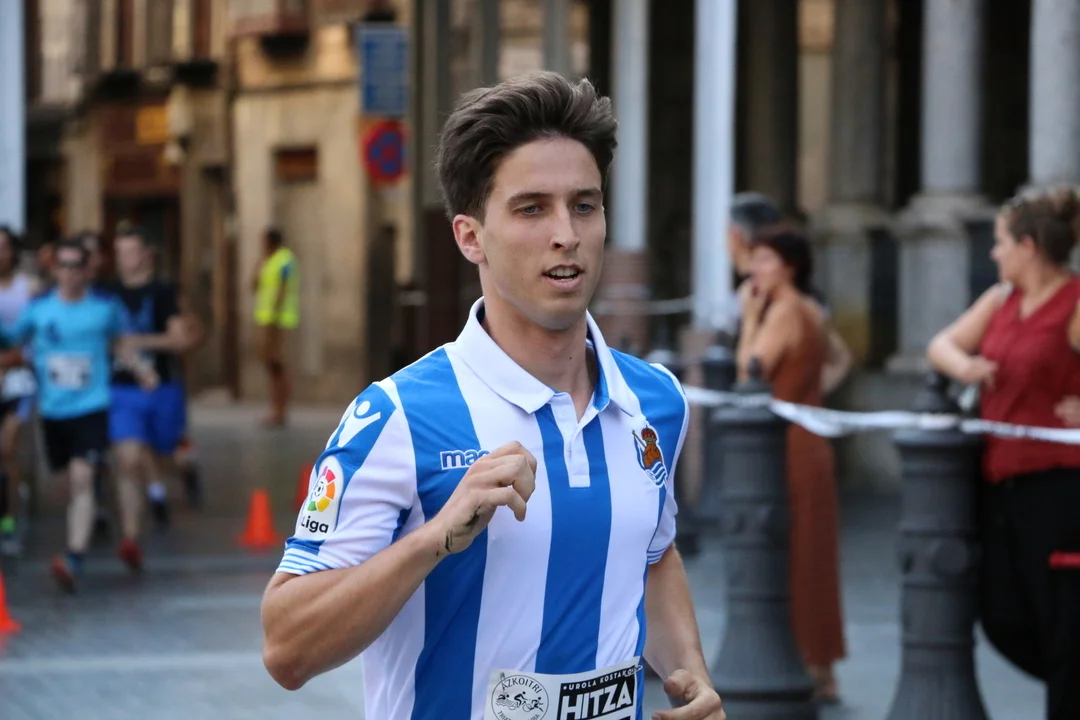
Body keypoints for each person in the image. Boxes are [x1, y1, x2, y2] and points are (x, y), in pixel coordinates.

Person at [261, 72, 725, 720]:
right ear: (470, 236)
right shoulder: (397, 416)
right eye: (531, 208)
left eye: (584, 205)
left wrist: (690, 673)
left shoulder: (655, 400)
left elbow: (651, 555)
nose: (566, 233)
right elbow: (286, 648)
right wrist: (433, 538)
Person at [927, 185, 1080, 720]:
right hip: (998, 482)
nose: (994, 253)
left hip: (1060, 488)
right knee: (1002, 615)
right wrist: (966, 367)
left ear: (1028, 246)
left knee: (1064, 622)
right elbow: (941, 345)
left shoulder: (1074, 302)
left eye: (1000, 242)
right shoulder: (1000, 300)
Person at [0, 238, 157, 592]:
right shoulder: (39, 310)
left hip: (92, 406)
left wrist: (141, 369)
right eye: (64, 266)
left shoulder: (104, 309)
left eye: (76, 266)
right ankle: (103, 533)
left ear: (87, 271)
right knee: (70, 483)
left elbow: (120, 343)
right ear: (54, 269)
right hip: (54, 411)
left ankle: (74, 557)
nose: (70, 273)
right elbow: (12, 339)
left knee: (82, 477)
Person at [735, 225, 846, 702]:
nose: (754, 270)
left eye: (765, 260)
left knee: (797, 554)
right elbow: (841, 358)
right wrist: (809, 396)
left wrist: (748, 320)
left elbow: (749, 372)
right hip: (810, 437)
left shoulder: (782, 311)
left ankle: (809, 665)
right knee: (813, 552)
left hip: (787, 447)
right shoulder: (809, 309)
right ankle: (820, 667)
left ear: (790, 267)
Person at [104, 225, 200, 541]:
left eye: (131, 252)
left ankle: (181, 473)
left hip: (163, 386)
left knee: (165, 451)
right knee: (129, 456)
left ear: (146, 254)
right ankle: (131, 536)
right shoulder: (107, 293)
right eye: (119, 253)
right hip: (122, 388)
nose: (124, 260)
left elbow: (179, 339)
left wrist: (138, 341)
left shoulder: (162, 291)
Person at [0, 227, 40, 556]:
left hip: (19, 380)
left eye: (3, 246)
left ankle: (10, 519)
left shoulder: (29, 288)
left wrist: (12, 360)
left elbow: (38, 336)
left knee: (7, 448)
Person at [251, 227, 299, 428]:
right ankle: (275, 409)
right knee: (271, 365)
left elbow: (283, 289)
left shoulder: (285, 259)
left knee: (277, 364)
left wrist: (274, 318)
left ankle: (281, 410)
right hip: (266, 319)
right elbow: (253, 285)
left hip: (278, 320)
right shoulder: (267, 261)